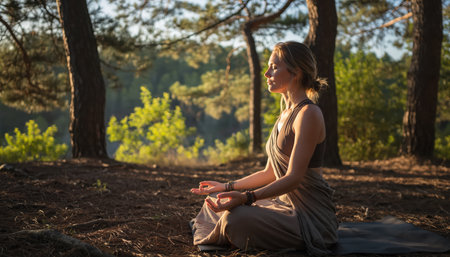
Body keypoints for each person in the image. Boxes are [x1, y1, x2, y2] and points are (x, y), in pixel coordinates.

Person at [190, 41, 338, 255]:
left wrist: (248, 197)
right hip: (283, 205)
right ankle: (238, 231)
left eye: (274, 67)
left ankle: (235, 231)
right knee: (216, 202)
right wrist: (226, 187)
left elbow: (294, 177)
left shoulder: (309, 114)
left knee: (235, 218)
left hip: (309, 217)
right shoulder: (285, 114)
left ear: (295, 72)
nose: (267, 73)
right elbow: (269, 172)